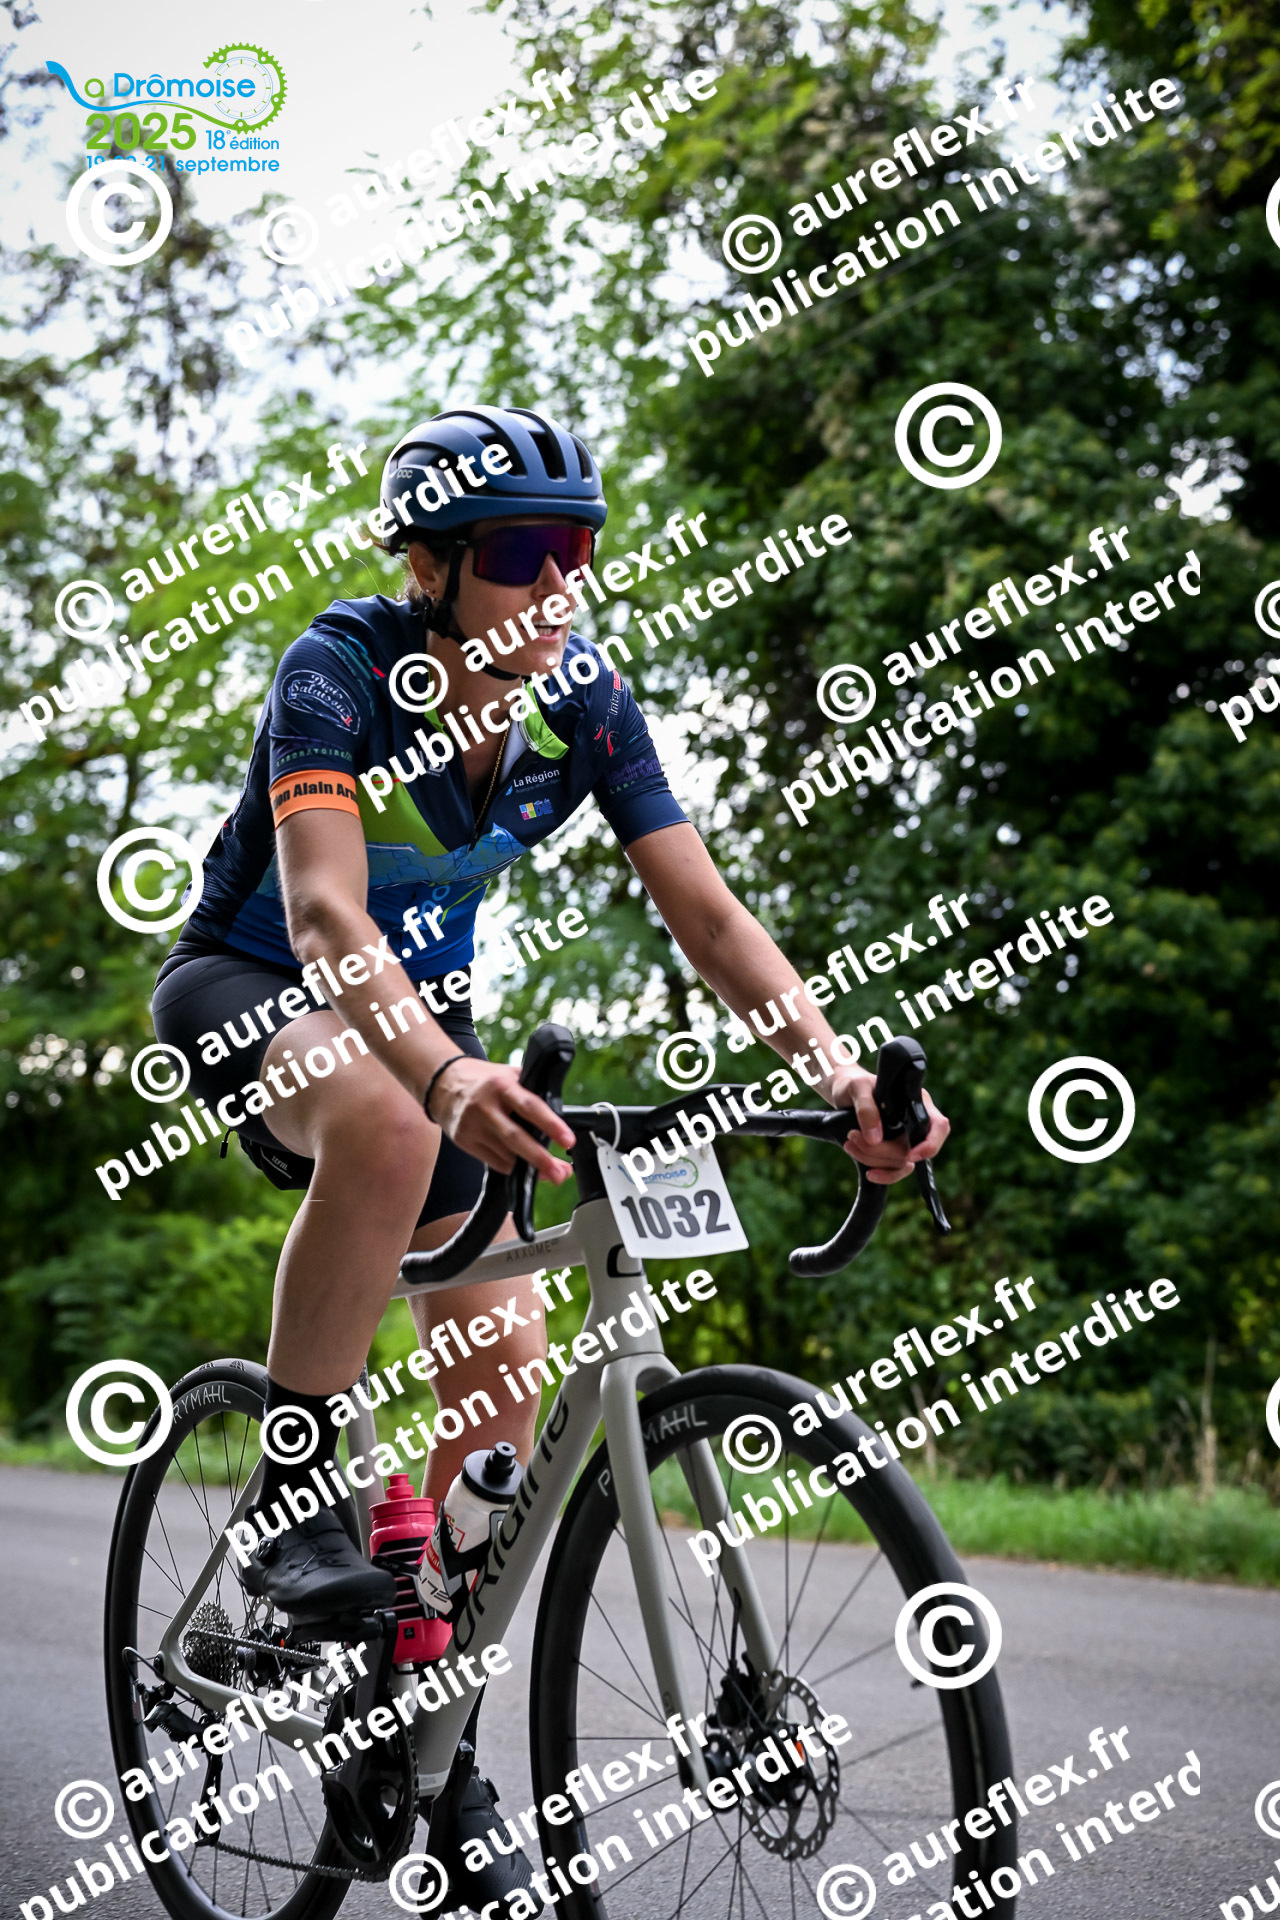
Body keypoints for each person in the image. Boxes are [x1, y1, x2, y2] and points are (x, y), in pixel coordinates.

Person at [151, 403, 948, 1903]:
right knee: (390, 1117)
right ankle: (290, 1495)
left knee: (500, 1411)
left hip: (424, 1036)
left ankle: (427, 1747)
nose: (559, 582)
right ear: (431, 564)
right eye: (523, 551)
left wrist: (839, 1074)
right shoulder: (338, 670)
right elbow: (324, 913)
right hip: (256, 990)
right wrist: (448, 1073)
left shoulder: (584, 699)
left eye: (578, 549)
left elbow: (706, 914)